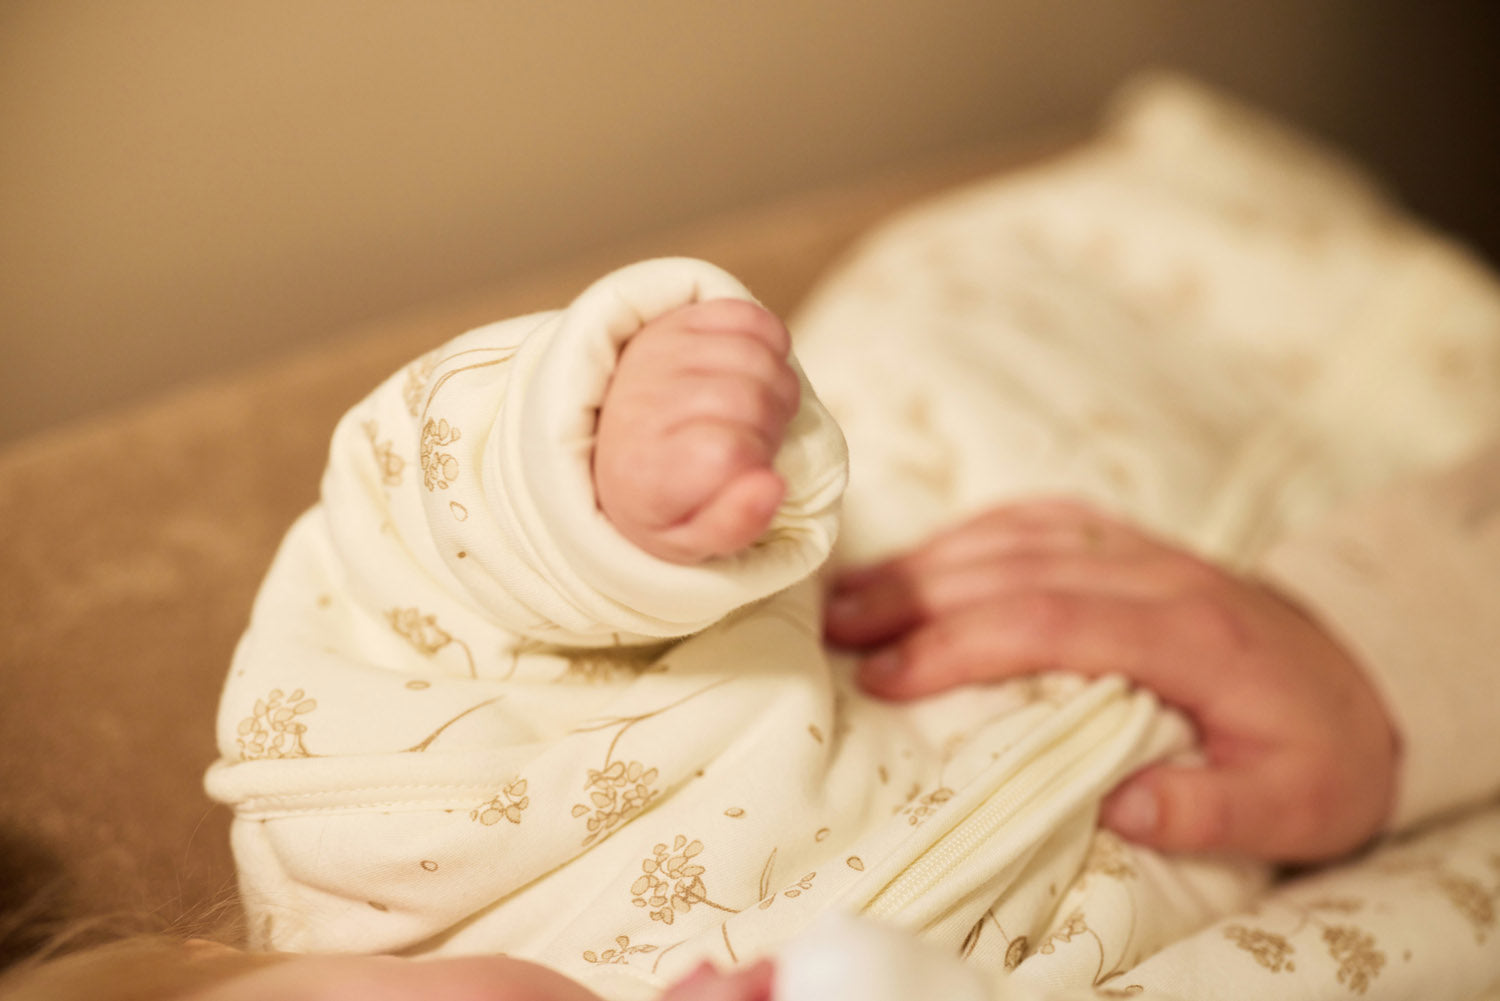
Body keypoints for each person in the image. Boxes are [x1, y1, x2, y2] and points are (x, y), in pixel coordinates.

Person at [9, 76, 1500, 1001]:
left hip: (1082, 372)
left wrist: (596, 481)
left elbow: (410, 561)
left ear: (226, 969)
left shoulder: (370, 840)